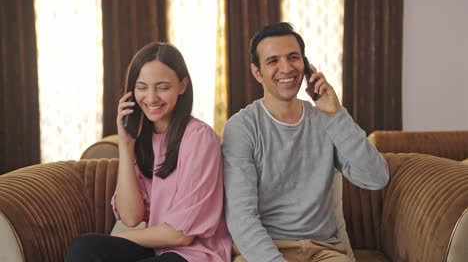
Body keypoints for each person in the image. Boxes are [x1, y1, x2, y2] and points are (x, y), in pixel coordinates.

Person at [222, 22, 389, 262]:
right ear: (257, 72)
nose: (286, 68)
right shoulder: (242, 127)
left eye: (293, 57)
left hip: (323, 251)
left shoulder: (327, 120)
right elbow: (241, 218)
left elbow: (376, 177)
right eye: (273, 61)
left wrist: (336, 113)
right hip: (265, 251)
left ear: (307, 65)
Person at [65, 42, 232, 262]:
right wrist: (126, 146)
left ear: (182, 86)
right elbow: (131, 216)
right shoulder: (143, 138)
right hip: (157, 250)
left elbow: (180, 236)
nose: (151, 98)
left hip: (196, 255)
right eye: (142, 87)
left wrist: (123, 237)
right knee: (84, 247)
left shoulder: (200, 138)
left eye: (162, 87)